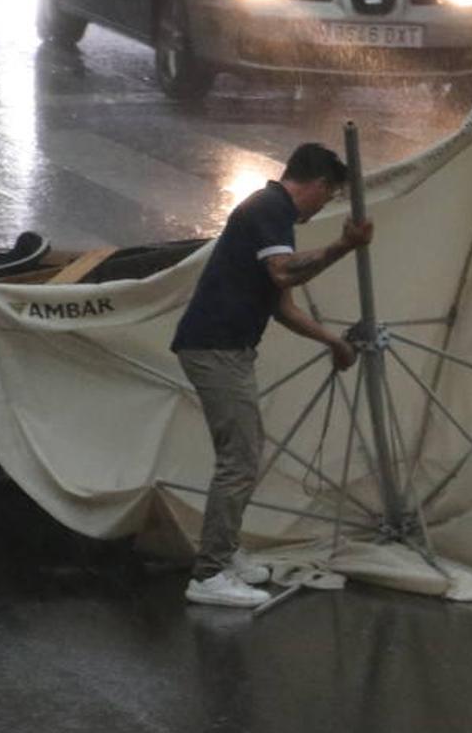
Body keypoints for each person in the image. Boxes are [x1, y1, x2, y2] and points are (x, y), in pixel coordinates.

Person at [172, 142, 374, 607]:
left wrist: (333, 341)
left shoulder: (273, 213)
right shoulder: (270, 208)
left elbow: (280, 305)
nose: (326, 205)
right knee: (239, 461)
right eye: (330, 196)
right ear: (320, 184)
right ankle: (209, 574)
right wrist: (344, 245)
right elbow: (284, 275)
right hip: (215, 348)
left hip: (229, 348)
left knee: (245, 454)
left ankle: (225, 553)